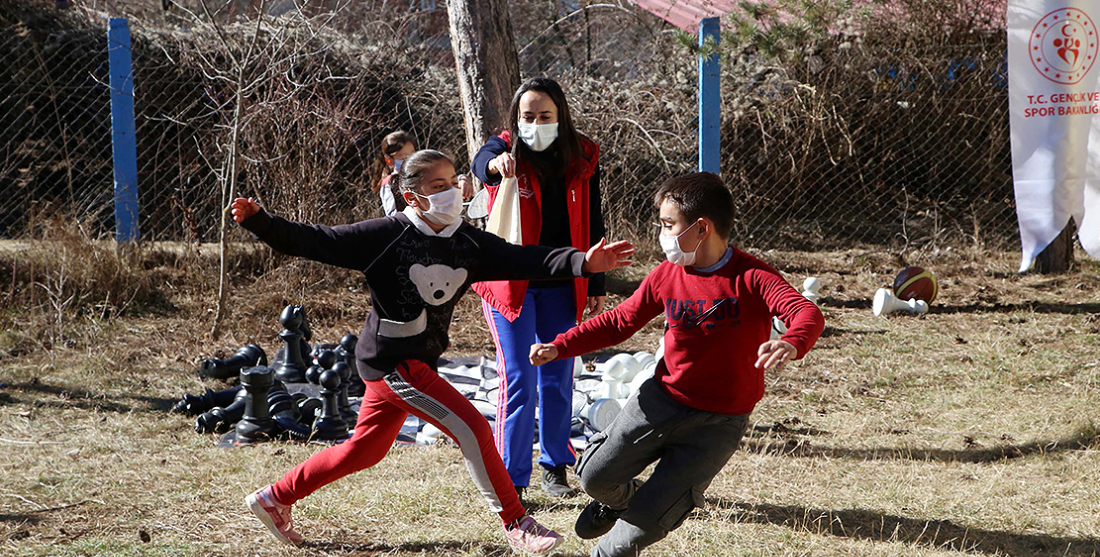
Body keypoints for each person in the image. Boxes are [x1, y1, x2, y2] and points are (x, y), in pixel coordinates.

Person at [233, 149, 634, 554]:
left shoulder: (466, 241)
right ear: (412, 197)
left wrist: (582, 261)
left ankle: (274, 497)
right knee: (474, 429)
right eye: (437, 186)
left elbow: (521, 257)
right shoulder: (386, 236)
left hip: (416, 362)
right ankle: (517, 522)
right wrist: (260, 221)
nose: (452, 192)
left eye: (453, 182)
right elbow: (316, 240)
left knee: (364, 450)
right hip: (393, 363)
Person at [528, 172, 825, 557]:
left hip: (718, 424)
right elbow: (620, 321)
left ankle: (634, 517)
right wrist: (561, 345)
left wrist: (791, 342)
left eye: (669, 226)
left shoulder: (753, 276)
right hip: (661, 401)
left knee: (636, 532)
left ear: (701, 228)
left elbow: (806, 312)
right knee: (593, 475)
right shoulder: (668, 274)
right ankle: (620, 500)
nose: (662, 235)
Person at [470, 77, 606, 499]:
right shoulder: (505, 148)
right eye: (527, 116)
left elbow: (594, 217)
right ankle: (510, 479)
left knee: (558, 375)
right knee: (519, 378)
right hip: (512, 283)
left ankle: (555, 468)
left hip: (564, 282)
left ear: (561, 116)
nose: (536, 123)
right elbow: (482, 161)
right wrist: (494, 165)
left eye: (545, 116)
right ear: (516, 117)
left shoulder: (582, 154)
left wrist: (594, 278)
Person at [377, 131, 472, 216]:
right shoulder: (389, 183)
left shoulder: (422, 173)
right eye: (402, 157)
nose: (409, 159)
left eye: (412, 154)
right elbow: (392, 214)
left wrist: (461, 179)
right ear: (389, 160)